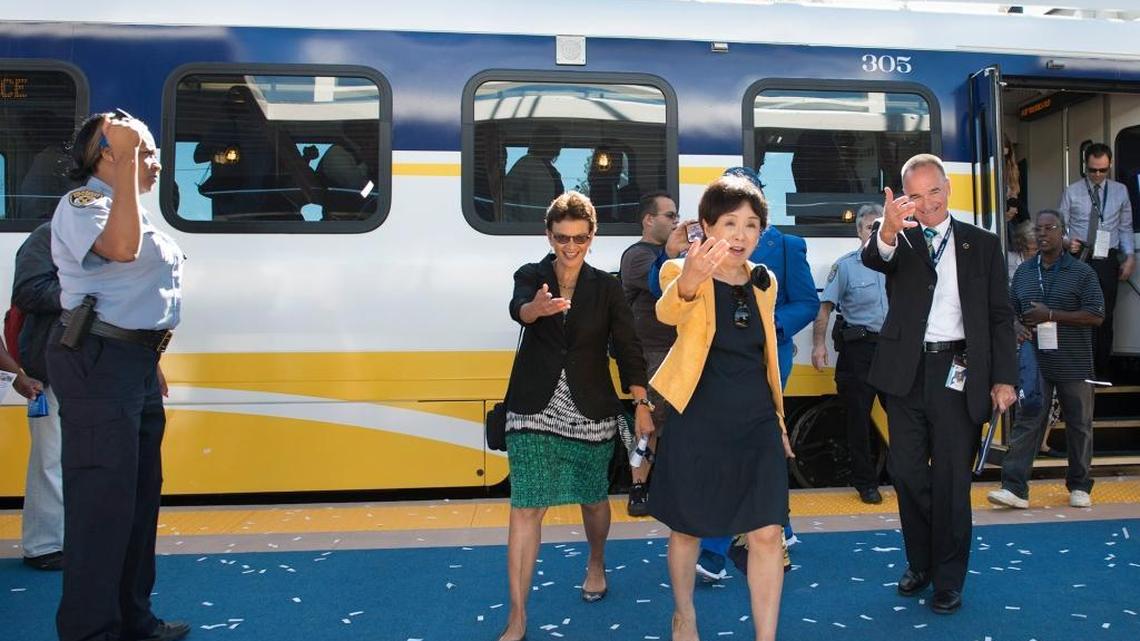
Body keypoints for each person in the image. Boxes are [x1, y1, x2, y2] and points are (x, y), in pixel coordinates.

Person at [46, 111, 188, 641]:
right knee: (100, 503)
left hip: (132, 363)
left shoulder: (130, 210)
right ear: (109, 154)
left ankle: (133, 618)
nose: (155, 162)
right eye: (144, 151)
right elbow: (121, 251)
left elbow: (133, 296)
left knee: (137, 499)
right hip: (98, 364)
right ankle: (91, 630)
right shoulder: (83, 204)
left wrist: (150, 357)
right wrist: (128, 160)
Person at [862, 153, 1017, 615]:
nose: (927, 204)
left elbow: (999, 317)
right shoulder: (898, 238)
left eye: (934, 191)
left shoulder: (982, 244)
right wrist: (887, 228)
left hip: (960, 372)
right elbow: (875, 257)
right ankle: (921, 562)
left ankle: (948, 578)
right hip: (905, 374)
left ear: (949, 189)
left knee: (951, 480)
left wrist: (1004, 379)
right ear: (904, 198)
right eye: (916, 195)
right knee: (907, 474)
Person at [498, 191, 652, 641]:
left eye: (579, 239)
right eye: (562, 238)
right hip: (532, 409)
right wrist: (536, 310)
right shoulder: (531, 274)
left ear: (592, 237)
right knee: (526, 507)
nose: (570, 246)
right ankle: (518, 615)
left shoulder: (606, 287)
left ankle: (597, 560)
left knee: (592, 498)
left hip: (591, 407)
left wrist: (641, 403)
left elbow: (627, 347)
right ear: (549, 235)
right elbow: (519, 308)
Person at [647, 175, 794, 641]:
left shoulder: (764, 283)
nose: (740, 234)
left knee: (767, 532)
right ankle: (684, 613)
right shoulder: (680, 270)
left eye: (751, 225)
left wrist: (779, 422)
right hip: (700, 418)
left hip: (756, 420)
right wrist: (691, 278)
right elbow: (668, 311)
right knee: (689, 526)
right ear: (707, 226)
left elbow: (765, 356)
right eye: (729, 222)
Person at [695, 166, 817, 580]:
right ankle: (777, 528)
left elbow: (806, 302)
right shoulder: (702, 244)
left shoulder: (787, 246)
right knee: (749, 444)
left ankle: (713, 551)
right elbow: (669, 295)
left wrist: (772, 326)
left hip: (768, 357)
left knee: (752, 440)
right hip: (716, 359)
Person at [988, 210, 1104, 509]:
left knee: (1079, 423)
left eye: (1049, 228)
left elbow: (1096, 315)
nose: (1042, 234)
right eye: (1038, 230)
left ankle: (1079, 485)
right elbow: (1009, 310)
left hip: (1074, 361)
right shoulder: (1026, 272)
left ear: (1062, 232)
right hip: (1035, 359)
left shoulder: (1082, 273)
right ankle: (1014, 487)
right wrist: (1015, 325)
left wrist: (1051, 315)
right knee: (1028, 418)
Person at [811, 204, 889, 504]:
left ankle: (913, 476)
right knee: (857, 419)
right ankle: (866, 483)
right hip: (860, 351)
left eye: (881, 227)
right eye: (871, 227)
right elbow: (825, 309)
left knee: (907, 415)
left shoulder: (900, 262)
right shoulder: (845, 266)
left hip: (894, 350)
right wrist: (818, 346)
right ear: (859, 231)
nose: (876, 232)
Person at [619, 190, 678, 517]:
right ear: (649, 219)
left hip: (678, 351)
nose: (676, 221)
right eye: (670, 216)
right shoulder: (637, 255)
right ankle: (638, 487)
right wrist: (675, 252)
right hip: (651, 353)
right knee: (649, 423)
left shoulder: (672, 254)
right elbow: (664, 283)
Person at [12, 222, 65, 571]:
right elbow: (28, 291)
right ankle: (45, 544)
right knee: (51, 454)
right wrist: (86, 289)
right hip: (51, 362)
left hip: (103, 365)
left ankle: (78, 537)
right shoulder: (48, 235)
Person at [1058, 142, 1135, 380]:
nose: (1098, 175)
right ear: (1085, 167)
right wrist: (1065, 242)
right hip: (1079, 256)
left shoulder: (1120, 191)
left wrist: (1130, 256)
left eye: (1102, 170)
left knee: (1105, 315)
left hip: (1106, 257)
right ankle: (1080, 369)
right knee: (1078, 314)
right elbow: (1059, 227)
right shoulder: (1072, 191)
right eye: (1093, 170)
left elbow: (1125, 227)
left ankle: (1101, 370)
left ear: (1109, 166)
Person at [502, 125, 564, 222]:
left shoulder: (554, 172)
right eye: (552, 141)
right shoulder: (527, 163)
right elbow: (505, 196)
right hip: (527, 229)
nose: (557, 146)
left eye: (557, 142)